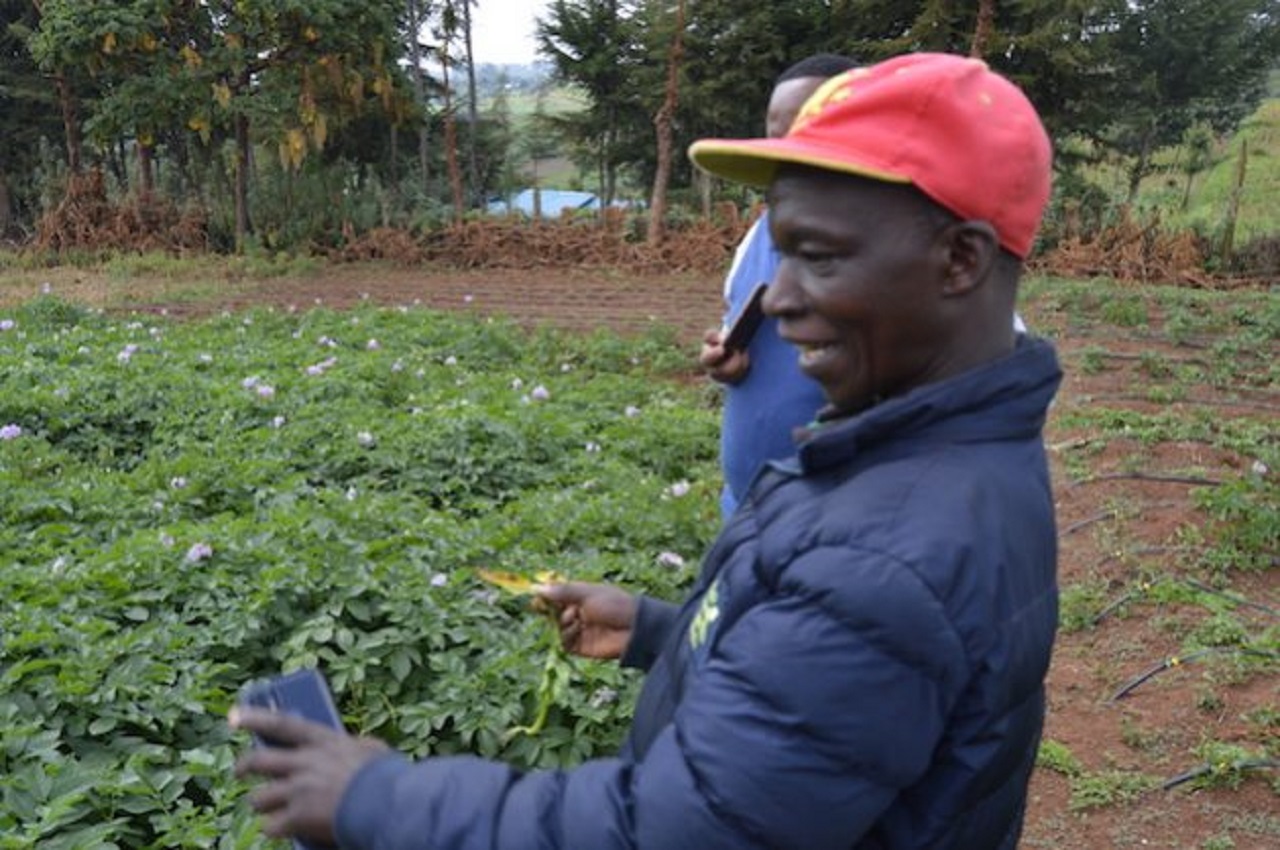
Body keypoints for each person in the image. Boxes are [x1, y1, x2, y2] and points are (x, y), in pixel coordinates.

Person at [232, 52, 1062, 850]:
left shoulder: (886, 554)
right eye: (781, 255)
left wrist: (378, 797)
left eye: (817, 257)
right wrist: (666, 634)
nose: (776, 300)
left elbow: (670, 830)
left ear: (960, 260)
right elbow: (839, 691)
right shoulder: (950, 453)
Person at [699, 54, 858, 518]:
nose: (788, 152)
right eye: (777, 135)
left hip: (840, 527)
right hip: (746, 515)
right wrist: (729, 362)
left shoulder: (902, 247)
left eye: (809, 132)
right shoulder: (758, 235)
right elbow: (741, 333)